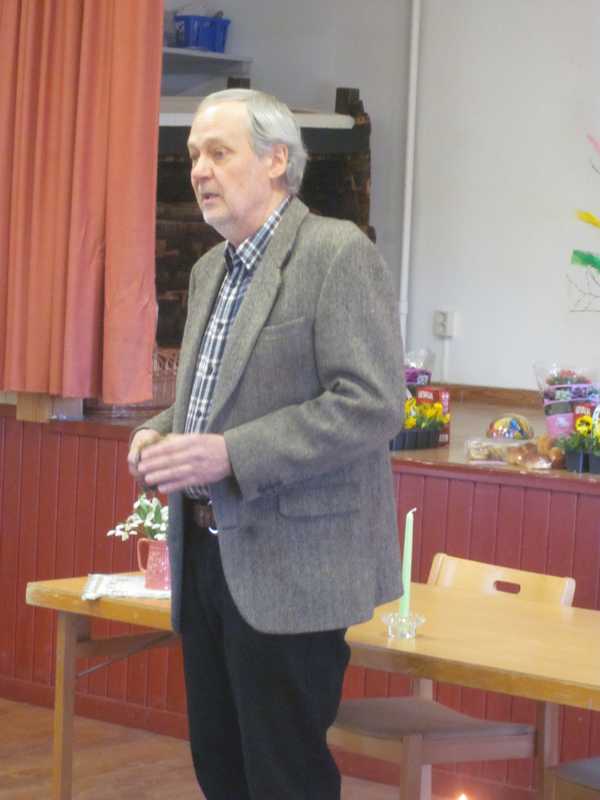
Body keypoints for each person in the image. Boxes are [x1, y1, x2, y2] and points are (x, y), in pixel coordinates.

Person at [128, 88, 404, 800]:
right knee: (220, 770)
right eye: (194, 155)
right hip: (206, 558)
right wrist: (159, 433)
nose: (199, 170)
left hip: (294, 567)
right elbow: (211, 401)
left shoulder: (337, 254)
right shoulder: (209, 270)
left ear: (277, 160)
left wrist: (232, 455)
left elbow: (372, 403)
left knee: (284, 780)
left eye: (219, 153)